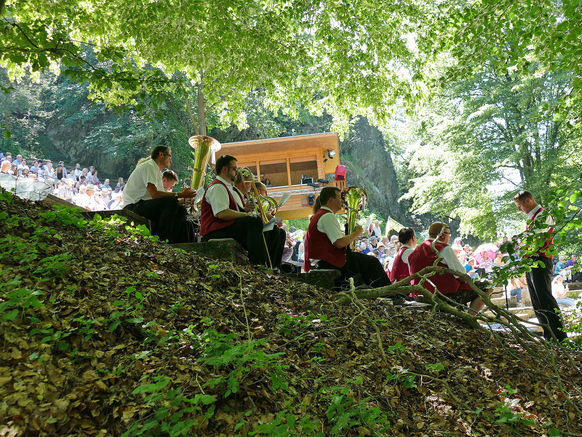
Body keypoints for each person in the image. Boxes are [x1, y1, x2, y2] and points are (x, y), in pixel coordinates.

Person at [304, 186, 390, 288]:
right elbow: (339, 243)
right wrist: (356, 233)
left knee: (366, 261)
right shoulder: (327, 216)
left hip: (324, 260)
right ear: (331, 200)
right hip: (326, 262)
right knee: (372, 262)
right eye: (339, 198)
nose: (342, 200)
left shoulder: (321, 215)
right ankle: (390, 293)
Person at [514, 190, 567, 342]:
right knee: (537, 301)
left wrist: (522, 244)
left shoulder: (543, 215)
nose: (519, 210)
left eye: (519, 206)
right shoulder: (531, 218)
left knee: (546, 299)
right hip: (531, 261)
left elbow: (535, 241)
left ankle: (560, 338)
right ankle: (549, 336)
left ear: (528, 200)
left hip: (541, 260)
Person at [200, 155, 272, 266]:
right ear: (225, 169)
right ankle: (258, 265)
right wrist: (245, 215)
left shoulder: (226, 187)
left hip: (224, 227)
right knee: (255, 221)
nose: (237, 172)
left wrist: (245, 209)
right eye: (234, 168)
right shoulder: (217, 187)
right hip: (215, 231)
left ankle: (270, 265)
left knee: (270, 231)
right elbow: (222, 213)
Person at [408, 222, 490, 314]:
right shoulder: (444, 249)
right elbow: (463, 276)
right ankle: (470, 319)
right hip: (442, 297)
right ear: (442, 235)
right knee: (488, 285)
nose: (449, 237)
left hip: (418, 297)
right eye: (448, 234)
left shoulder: (414, 252)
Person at [123, 145, 196, 243]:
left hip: (143, 204)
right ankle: (161, 239)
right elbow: (154, 194)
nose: (171, 160)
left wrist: (185, 199)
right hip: (133, 206)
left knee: (182, 211)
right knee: (172, 202)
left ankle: (176, 244)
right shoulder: (149, 166)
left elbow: (161, 198)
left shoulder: (158, 172)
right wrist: (180, 194)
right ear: (161, 154)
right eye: (170, 156)